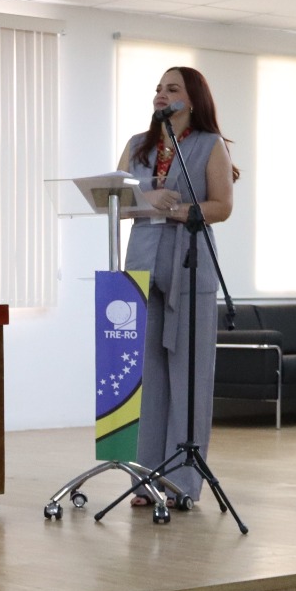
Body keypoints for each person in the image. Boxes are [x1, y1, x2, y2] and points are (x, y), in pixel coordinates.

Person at [118, 66, 236, 506]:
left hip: (190, 266)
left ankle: (183, 483)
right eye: (157, 89)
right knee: (147, 380)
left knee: (189, 377)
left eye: (171, 89)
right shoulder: (136, 145)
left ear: (193, 98)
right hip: (141, 267)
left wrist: (179, 210)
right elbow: (118, 197)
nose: (160, 96)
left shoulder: (210, 145)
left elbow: (222, 206)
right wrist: (147, 197)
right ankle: (145, 480)